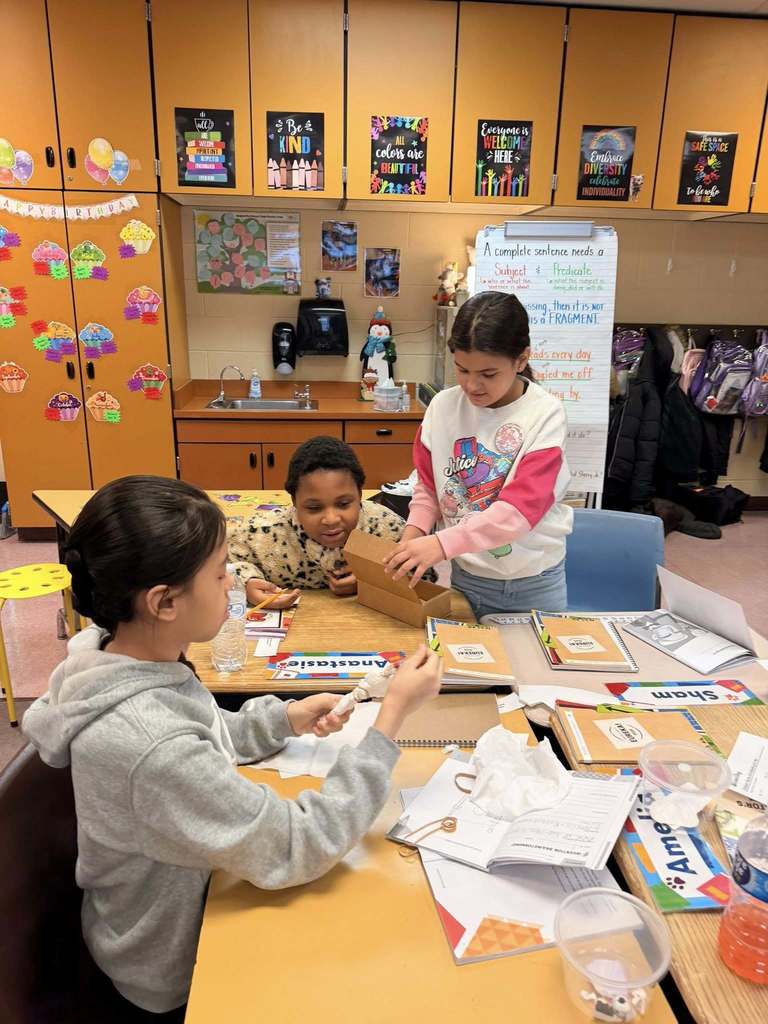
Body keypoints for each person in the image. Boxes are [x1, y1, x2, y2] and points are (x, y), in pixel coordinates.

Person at [22, 476, 442, 1020]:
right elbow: (298, 845)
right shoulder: (152, 743)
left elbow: (204, 729)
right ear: (164, 601)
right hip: (171, 970)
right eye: (221, 574)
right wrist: (389, 722)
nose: (232, 585)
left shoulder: (115, 657)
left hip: (178, 905)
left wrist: (285, 718)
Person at [384, 290, 573, 618]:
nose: (472, 386)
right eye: (462, 370)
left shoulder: (545, 414)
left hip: (534, 581)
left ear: (521, 359)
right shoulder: (442, 407)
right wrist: (412, 538)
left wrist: (440, 544)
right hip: (468, 577)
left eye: (488, 374)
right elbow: (429, 489)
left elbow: (518, 512)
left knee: (534, 653)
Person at [228, 435, 408, 608]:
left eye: (343, 504)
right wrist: (246, 583)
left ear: (360, 495)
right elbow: (222, 560)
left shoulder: (387, 528)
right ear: (294, 502)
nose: (331, 520)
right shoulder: (264, 533)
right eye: (314, 508)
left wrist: (372, 583)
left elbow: (419, 576)